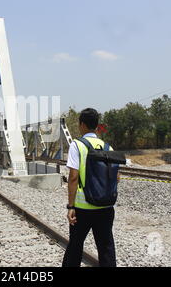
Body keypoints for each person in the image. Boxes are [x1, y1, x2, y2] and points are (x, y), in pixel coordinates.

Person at [62, 108, 118, 267]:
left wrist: (70, 206)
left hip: (82, 208)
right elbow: (117, 178)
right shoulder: (108, 147)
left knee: (75, 246)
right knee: (106, 247)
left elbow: (73, 177)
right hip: (106, 207)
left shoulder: (77, 145)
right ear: (96, 125)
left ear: (82, 125)